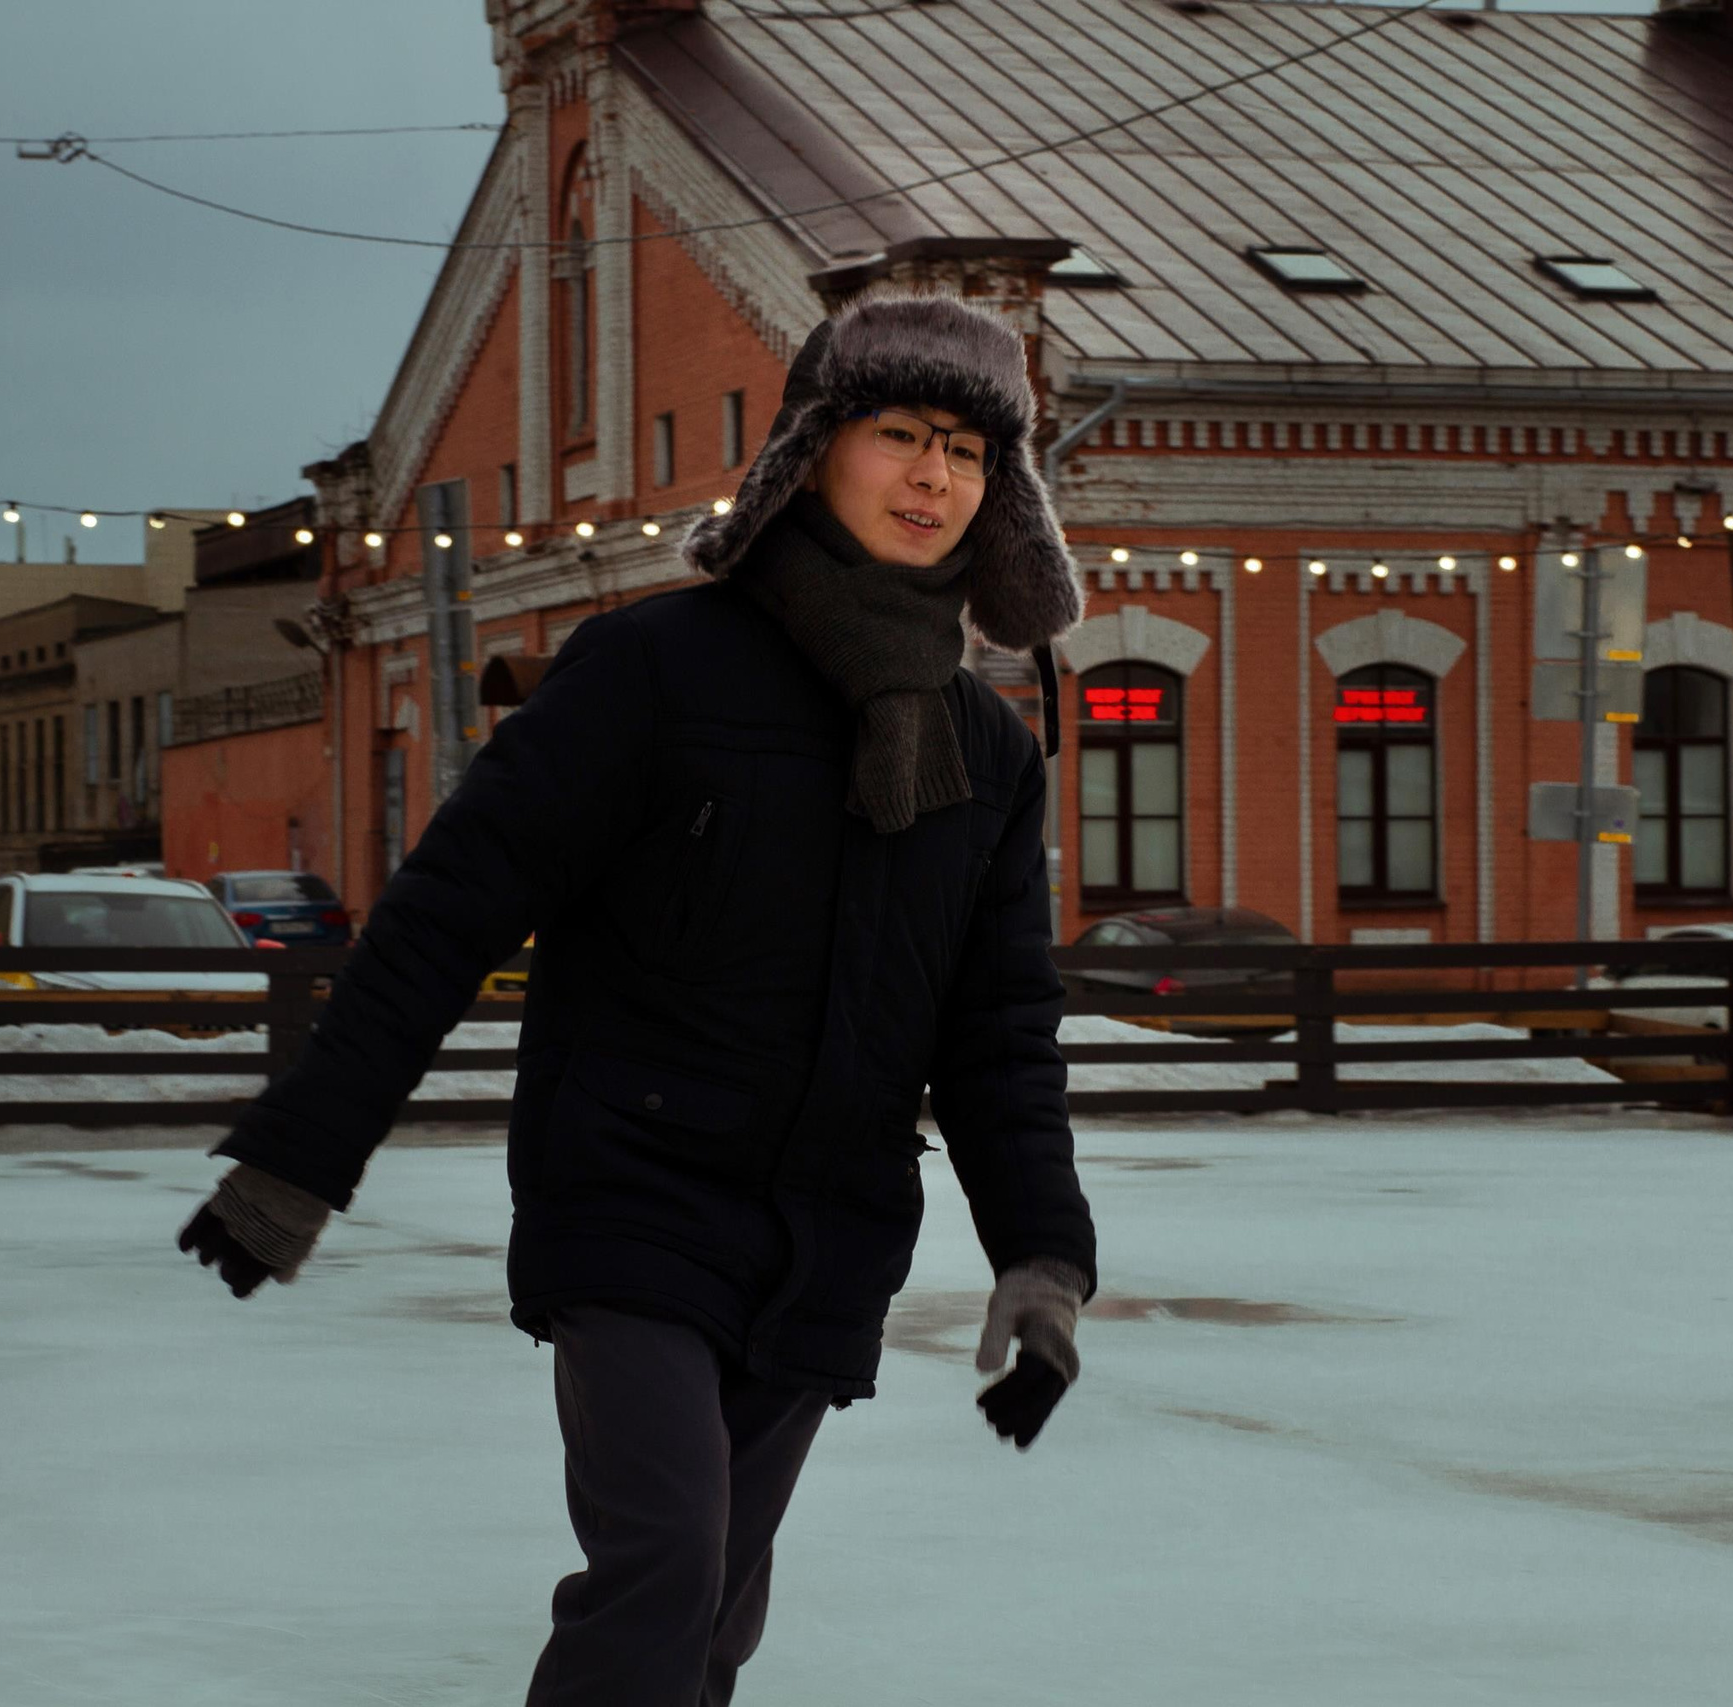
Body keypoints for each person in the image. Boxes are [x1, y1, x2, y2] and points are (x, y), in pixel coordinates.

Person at [177, 288, 1099, 1706]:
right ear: (811, 450)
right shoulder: (654, 672)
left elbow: (998, 1037)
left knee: (716, 1614)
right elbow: (442, 917)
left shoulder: (984, 745)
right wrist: (298, 1159)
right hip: (635, 1199)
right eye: (903, 435)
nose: (935, 478)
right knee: (665, 1563)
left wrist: (1041, 1262)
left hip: (829, 1229)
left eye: (970, 454)